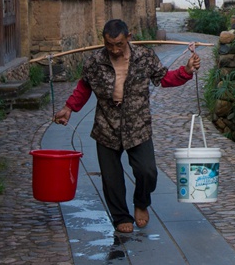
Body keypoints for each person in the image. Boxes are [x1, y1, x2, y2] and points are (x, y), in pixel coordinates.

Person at [53, 19, 200, 235]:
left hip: (138, 125)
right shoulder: (94, 62)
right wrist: (69, 108)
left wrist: (186, 70)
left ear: (128, 38)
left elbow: (164, 79)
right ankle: (121, 216)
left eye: (119, 44)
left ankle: (141, 202)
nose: (114, 49)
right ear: (104, 41)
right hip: (107, 126)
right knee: (111, 179)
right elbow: (84, 87)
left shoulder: (145, 57)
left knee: (147, 171)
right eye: (109, 44)